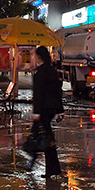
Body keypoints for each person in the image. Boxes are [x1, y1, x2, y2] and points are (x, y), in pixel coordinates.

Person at [27, 46, 64, 178]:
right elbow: (57, 91)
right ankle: (53, 169)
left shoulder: (40, 72)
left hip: (43, 109)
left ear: (38, 57)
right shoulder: (52, 70)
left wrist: (36, 113)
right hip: (52, 108)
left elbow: (38, 94)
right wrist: (60, 110)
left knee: (45, 138)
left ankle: (48, 169)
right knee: (47, 137)